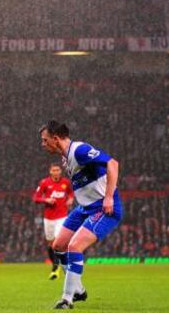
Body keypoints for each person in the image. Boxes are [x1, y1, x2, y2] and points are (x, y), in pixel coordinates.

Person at [40, 121, 122, 310]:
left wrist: (109, 197)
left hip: (103, 208)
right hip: (84, 208)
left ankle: (67, 299)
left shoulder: (79, 150)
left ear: (56, 138)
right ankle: (78, 289)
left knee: (74, 246)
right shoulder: (65, 158)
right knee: (58, 246)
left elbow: (112, 164)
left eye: (45, 140)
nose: (43, 144)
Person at [33, 162, 74, 280]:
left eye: (57, 170)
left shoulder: (66, 182)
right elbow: (35, 198)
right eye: (53, 170)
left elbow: (71, 193)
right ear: (50, 172)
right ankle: (55, 266)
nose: (56, 172)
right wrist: (46, 200)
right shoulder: (44, 183)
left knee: (58, 242)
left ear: (60, 171)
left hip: (62, 216)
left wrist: (71, 199)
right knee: (51, 243)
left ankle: (58, 267)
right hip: (48, 218)